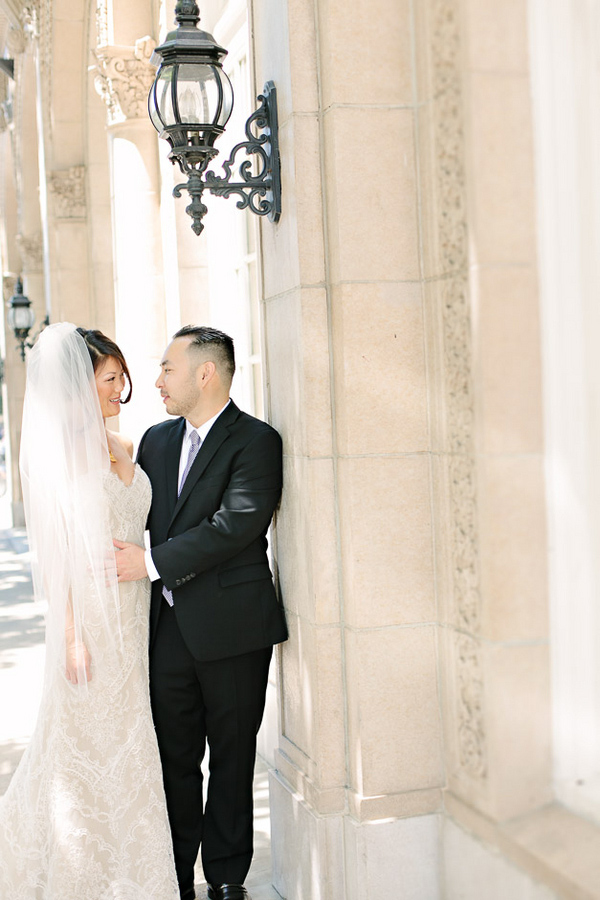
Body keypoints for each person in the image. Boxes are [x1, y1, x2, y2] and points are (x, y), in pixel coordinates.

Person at [0, 323, 180, 900]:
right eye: (110, 378)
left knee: (132, 738)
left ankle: (134, 867)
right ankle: (82, 871)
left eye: (121, 378)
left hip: (136, 613)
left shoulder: (129, 446)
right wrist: (73, 636)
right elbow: (63, 561)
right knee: (86, 742)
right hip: (93, 624)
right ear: (81, 385)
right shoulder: (64, 460)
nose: (120, 389)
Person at [114, 325, 288, 900]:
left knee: (233, 762)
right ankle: (175, 878)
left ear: (205, 373)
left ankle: (226, 881)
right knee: (172, 761)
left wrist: (152, 563)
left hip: (236, 631)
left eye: (167, 368)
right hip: (166, 632)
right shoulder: (157, 442)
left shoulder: (256, 441)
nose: (157, 380)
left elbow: (237, 525)